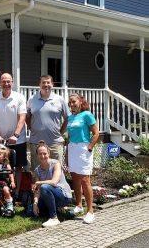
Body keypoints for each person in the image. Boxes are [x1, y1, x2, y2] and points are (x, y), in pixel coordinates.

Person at [0, 73, 27, 199]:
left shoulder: (19, 97)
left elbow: (22, 117)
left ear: (12, 83)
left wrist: (16, 135)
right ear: (0, 83)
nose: (6, 84)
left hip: (17, 139)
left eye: (9, 81)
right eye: (4, 81)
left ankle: (15, 192)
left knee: (18, 166)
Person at [67, 93, 99, 224]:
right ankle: (78, 206)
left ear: (80, 101)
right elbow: (69, 136)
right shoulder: (70, 117)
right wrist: (67, 151)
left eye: (74, 102)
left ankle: (90, 211)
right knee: (75, 178)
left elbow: (96, 133)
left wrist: (90, 147)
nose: (72, 104)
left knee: (85, 180)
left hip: (83, 148)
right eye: (70, 103)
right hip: (72, 148)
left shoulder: (87, 115)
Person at [26, 75, 69, 170]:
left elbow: (67, 118)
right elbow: (27, 116)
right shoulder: (32, 99)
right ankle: (38, 185)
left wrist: (61, 132)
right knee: (36, 171)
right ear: (39, 84)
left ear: (52, 84)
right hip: (36, 142)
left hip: (55, 143)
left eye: (48, 82)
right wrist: (30, 127)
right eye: (43, 82)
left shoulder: (59, 99)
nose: (46, 85)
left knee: (56, 170)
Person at [32, 141, 72, 227]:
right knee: (31, 211)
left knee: (45, 187)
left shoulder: (56, 163)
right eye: (40, 154)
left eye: (44, 153)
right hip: (50, 194)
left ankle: (54, 218)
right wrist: (35, 203)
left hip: (63, 196)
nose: (42, 156)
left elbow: (54, 182)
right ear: (37, 155)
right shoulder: (37, 170)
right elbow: (37, 190)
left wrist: (39, 182)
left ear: (49, 153)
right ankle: (56, 209)